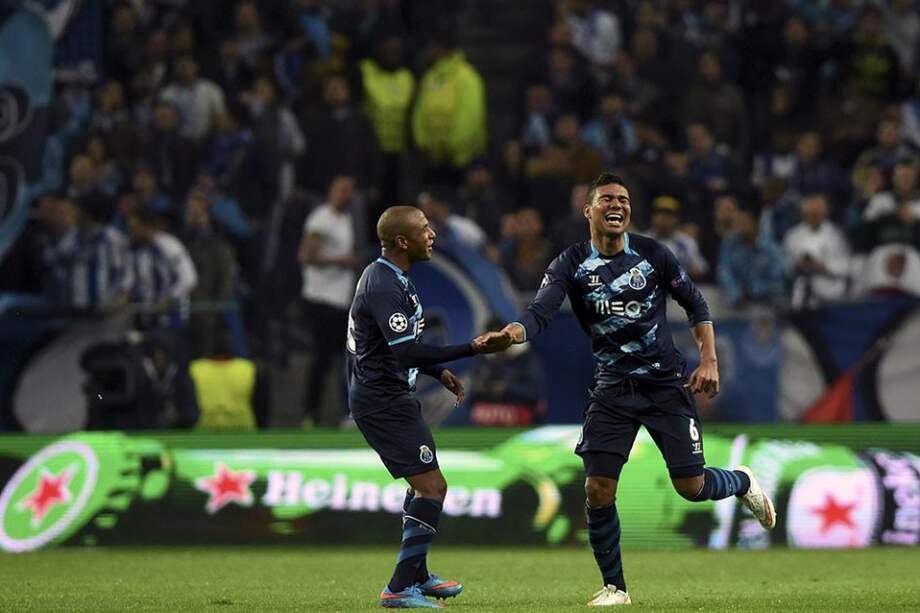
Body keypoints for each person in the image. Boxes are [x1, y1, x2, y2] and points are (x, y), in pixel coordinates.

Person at [479, 173, 776, 606]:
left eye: (623, 199)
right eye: (606, 199)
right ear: (589, 210)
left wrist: (709, 360)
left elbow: (696, 304)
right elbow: (540, 311)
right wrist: (514, 333)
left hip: (664, 385)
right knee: (598, 488)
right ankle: (615, 588)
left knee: (690, 488)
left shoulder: (653, 254)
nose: (616, 205)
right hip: (612, 389)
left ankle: (741, 481)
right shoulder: (571, 262)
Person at [346, 205, 505, 608]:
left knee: (423, 485)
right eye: (424, 228)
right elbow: (404, 353)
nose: (432, 234)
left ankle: (417, 574)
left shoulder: (394, 277)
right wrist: (470, 348)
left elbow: (394, 347)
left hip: (392, 395)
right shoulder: (382, 283)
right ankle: (399, 587)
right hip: (383, 400)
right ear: (402, 240)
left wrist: (437, 372)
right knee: (433, 487)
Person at [298, 176, 359, 426]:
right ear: (331, 191)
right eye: (342, 190)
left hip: (341, 299)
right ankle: (310, 414)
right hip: (321, 297)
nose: (346, 195)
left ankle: (346, 414)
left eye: (350, 191)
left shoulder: (346, 219)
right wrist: (341, 261)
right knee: (322, 359)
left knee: (345, 358)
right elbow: (306, 256)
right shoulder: (320, 219)